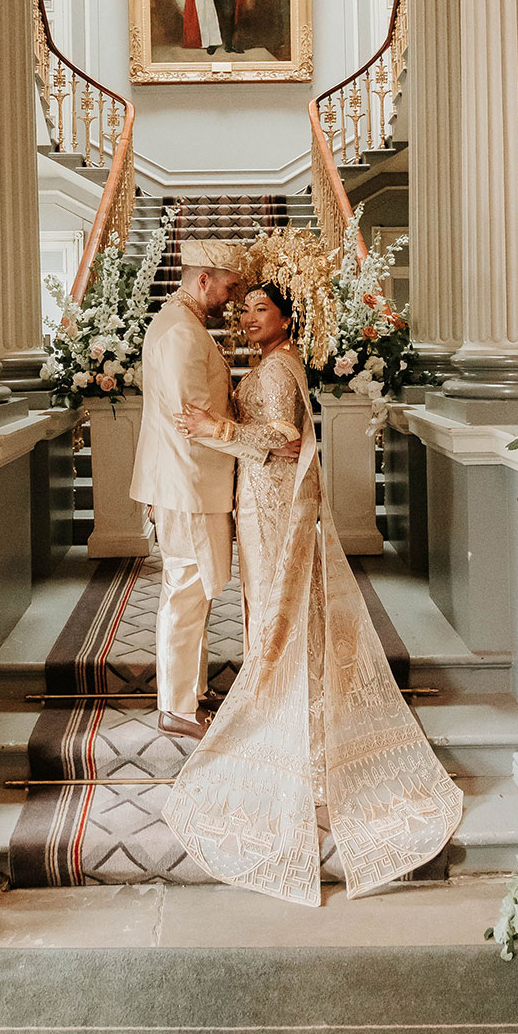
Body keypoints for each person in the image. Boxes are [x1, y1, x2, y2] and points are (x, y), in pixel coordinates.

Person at [164, 276, 463, 907]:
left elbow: (285, 440)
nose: (247, 317)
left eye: (260, 309)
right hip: (266, 501)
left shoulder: (275, 370)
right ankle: (286, 708)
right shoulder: (275, 360)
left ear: (286, 316)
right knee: (279, 612)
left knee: (277, 614)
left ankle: (282, 722)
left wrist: (213, 426)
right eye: (242, 309)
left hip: (273, 506)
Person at [128, 238, 248, 741]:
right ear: (203, 281)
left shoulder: (180, 324)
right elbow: (192, 420)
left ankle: (191, 692)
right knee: (185, 592)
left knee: (192, 592)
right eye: (229, 286)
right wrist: (253, 437)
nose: (233, 297)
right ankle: (176, 707)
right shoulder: (180, 332)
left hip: (185, 482)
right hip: (187, 483)